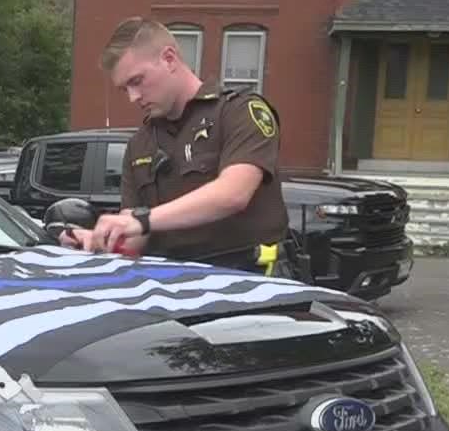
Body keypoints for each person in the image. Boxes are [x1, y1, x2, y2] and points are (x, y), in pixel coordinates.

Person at [66, 17, 288, 272]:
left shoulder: (239, 112)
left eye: (137, 81)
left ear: (169, 59)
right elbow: (136, 236)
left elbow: (234, 194)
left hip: (248, 280)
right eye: (124, 88)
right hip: (175, 288)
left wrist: (142, 220)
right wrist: (100, 240)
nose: (132, 97)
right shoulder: (141, 144)